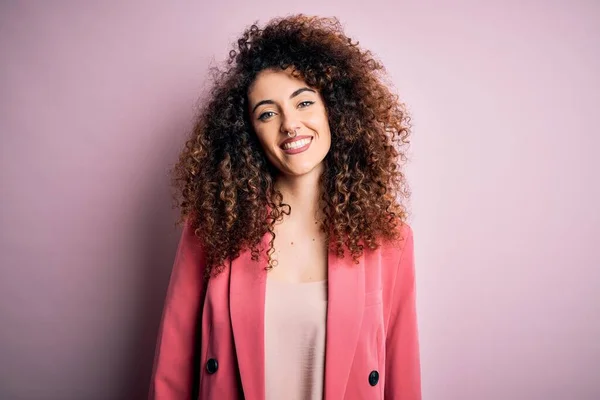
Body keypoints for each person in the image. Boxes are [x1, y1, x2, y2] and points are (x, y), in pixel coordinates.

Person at [149, 14, 421, 400]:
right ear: (247, 133)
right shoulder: (212, 228)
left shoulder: (389, 238)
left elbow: (402, 375)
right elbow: (171, 376)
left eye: (304, 101)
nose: (290, 124)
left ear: (335, 110)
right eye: (267, 112)